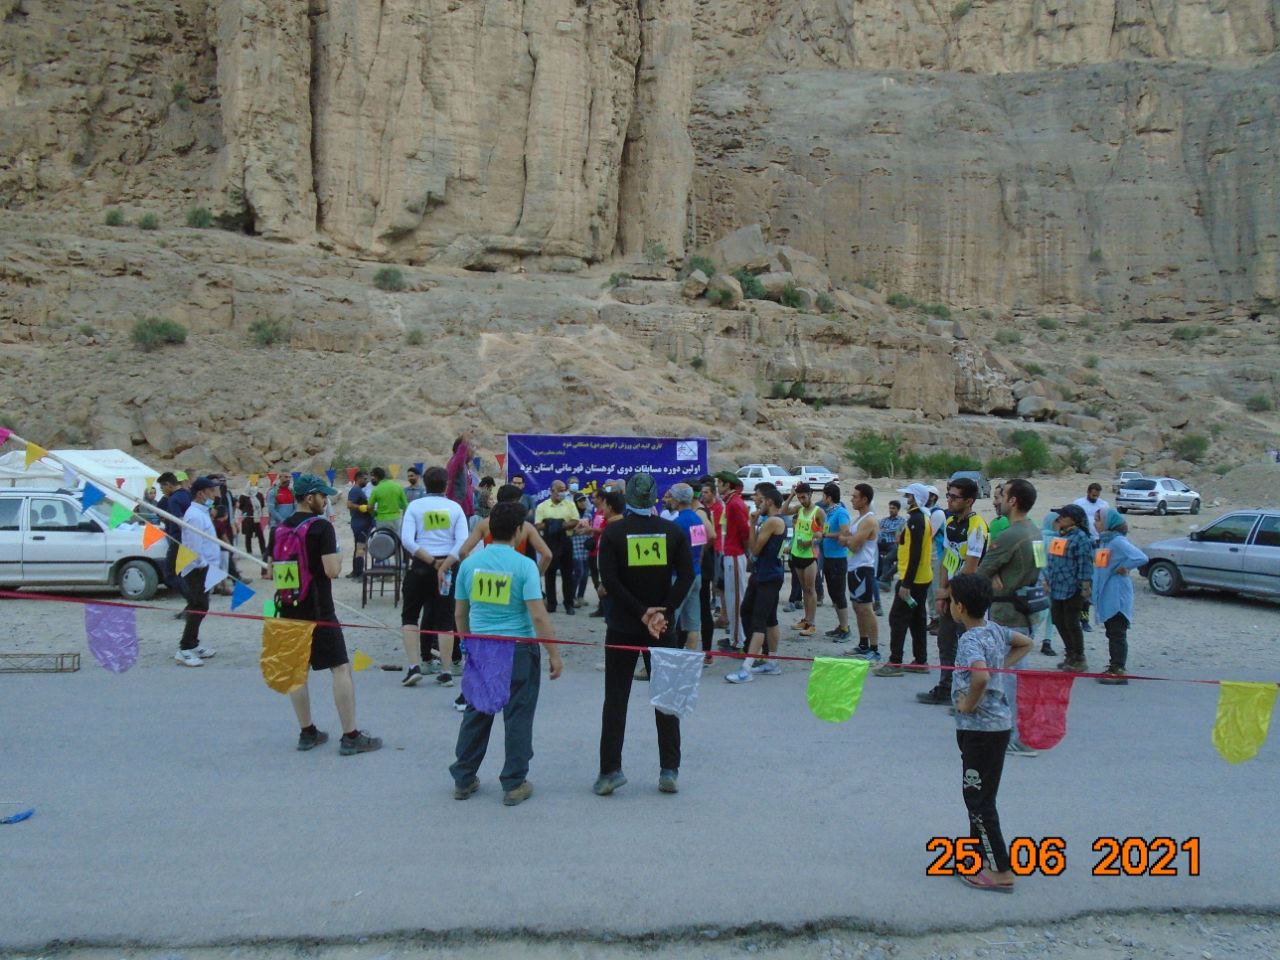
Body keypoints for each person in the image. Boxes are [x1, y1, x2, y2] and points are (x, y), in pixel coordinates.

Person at [450, 502, 563, 805]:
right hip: (519, 648)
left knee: (477, 713)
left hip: (483, 647)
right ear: (519, 531)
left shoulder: (470, 565)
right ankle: (514, 783)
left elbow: (460, 612)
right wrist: (554, 653)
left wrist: (467, 642)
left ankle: (463, 777)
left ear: (488, 531)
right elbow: (538, 615)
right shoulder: (524, 566)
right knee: (518, 716)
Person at [594, 473, 694, 796]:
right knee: (666, 698)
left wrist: (640, 611)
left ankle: (609, 771)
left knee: (616, 699)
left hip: (623, 625)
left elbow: (609, 579)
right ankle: (669, 770)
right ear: (655, 498)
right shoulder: (672, 531)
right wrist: (664, 610)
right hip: (661, 628)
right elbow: (687, 575)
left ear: (628, 499)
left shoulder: (613, 533)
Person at [270, 474, 381, 755]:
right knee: (340, 668)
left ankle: (307, 732)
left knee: (298, 672)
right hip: (319, 609)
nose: (325, 501)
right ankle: (351, 735)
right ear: (310, 498)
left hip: (289, 608)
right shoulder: (321, 527)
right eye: (322, 496)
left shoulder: (280, 528)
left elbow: (274, 570)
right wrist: (340, 557)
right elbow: (332, 570)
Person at [948, 572, 1033, 893]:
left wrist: (967, 704)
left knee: (978, 799)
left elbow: (980, 677)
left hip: (980, 730)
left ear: (960, 606)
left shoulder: (970, 640)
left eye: (951, 600)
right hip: (997, 727)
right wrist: (1002, 666)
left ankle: (1000, 870)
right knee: (981, 795)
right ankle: (979, 858)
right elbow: (1025, 643)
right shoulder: (995, 630)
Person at [977, 478, 1043, 757]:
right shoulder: (1035, 531)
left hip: (1008, 613)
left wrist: (993, 576)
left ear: (1013, 501)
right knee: (1012, 673)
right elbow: (1039, 568)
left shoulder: (1009, 536)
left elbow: (981, 573)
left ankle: (1014, 736)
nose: (998, 499)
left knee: (1006, 677)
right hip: (1027, 612)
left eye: (1002, 494)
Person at [918, 477, 989, 705]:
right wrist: (942, 591)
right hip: (951, 593)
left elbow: (970, 566)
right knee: (945, 641)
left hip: (968, 595)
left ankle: (968, 694)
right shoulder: (950, 522)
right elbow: (947, 559)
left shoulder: (977, 525)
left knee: (968, 646)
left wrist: (949, 593)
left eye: (955, 497)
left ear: (969, 501)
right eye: (948, 495)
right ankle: (946, 687)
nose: (949, 500)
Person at [399, 466, 469, 688]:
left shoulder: (414, 506)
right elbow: (462, 541)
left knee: (410, 616)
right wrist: (444, 565)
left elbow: (407, 540)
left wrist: (431, 562)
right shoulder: (455, 508)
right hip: (447, 568)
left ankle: (414, 666)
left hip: (421, 565)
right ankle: (447, 671)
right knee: (445, 619)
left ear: (424, 483)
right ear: (446, 484)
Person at [725, 482, 786, 684]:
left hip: (768, 576)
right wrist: (753, 525)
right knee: (767, 618)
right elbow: (755, 550)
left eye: (762, 499)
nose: (758, 503)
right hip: (765, 574)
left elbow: (755, 550)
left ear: (769, 501)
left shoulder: (772, 522)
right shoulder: (773, 520)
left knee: (758, 620)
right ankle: (772, 661)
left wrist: (752, 525)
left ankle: (747, 668)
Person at [875, 483, 933, 677]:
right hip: (920, 577)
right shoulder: (920, 518)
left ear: (916, 498)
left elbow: (916, 553)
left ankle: (895, 662)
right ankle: (920, 660)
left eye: (909, 496)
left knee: (897, 618)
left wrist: (906, 583)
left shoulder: (917, 519)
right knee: (917, 619)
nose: (906, 499)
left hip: (913, 579)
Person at [1091, 509, 1148, 684]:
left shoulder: (1117, 541)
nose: (1095, 524)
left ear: (1108, 523)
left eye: (1098, 520)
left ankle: (1119, 670)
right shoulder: (1104, 542)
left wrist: (1125, 567)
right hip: (1107, 593)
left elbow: (1140, 557)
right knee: (1112, 632)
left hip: (1117, 594)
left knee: (1117, 633)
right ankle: (1114, 665)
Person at [174, 477, 223, 667]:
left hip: (205, 568)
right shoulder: (194, 515)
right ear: (201, 493)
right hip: (196, 569)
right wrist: (202, 564)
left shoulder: (201, 513)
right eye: (211, 491)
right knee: (198, 606)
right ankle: (185, 648)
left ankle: (193, 643)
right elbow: (192, 547)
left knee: (202, 606)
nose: (214, 495)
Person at [458, 484, 553, 573]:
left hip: (490, 576)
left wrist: (473, 572)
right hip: (517, 575)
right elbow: (547, 555)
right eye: (520, 501)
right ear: (515, 502)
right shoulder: (525, 526)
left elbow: (463, 552)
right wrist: (535, 575)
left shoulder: (484, 524)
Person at [1045, 504, 1094, 672]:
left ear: (1073, 520)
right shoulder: (1060, 536)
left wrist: (1085, 586)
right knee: (1058, 620)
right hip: (1057, 586)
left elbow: (1085, 563)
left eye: (1063, 516)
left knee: (1071, 622)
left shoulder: (1081, 538)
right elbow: (1052, 560)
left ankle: (1079, 657)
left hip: (1073, 588)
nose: (1059, 519)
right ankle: (1070, 653)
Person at [669, 483, 714, 659]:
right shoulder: (697, 519)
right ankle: (689, 661)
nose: (670, 500)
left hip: (679, 576)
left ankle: (668, 661)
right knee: (693, 624)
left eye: (671, 497)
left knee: (670, 620)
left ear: (677, 499)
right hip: (696, 573)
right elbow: (701, 546)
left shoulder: (677, 523)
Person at [841, 483, 881, 662]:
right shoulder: (858, 519)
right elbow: (848, 539)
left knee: (866, 608)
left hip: (863, 568)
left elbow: (854, 546)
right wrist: (847, 539)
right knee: (857, 607)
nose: (852, 499)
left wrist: (846, 539)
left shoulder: (869, 520)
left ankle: (874, 649)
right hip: (853, 567)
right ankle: (863, 644)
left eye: (855, 496)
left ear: (865, 499)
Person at [781, 484, 825, 637]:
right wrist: (791, 495)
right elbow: (783, 511)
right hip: (796, 554)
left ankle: (812, 624)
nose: (801, 500)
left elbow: (822, 534)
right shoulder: (799, 509)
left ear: (810, 495)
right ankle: (806, 620)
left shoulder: (818, 512)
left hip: (809, 556)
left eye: (803, 497)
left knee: (810, 590)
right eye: (799, 497)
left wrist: (809, 543)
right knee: (804, 590)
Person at [715, 471, 751, 652]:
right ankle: (735, 637)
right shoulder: (731, 502)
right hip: (731, 554)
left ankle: (738, 641)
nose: (717, 486)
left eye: (720, 483)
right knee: (731, 599)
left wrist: (747, 554)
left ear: (727, 485)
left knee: (736, 600)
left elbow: (745, 532)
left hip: (735, 555)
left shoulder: (735, 504)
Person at [534, 480, 581, 614]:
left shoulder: (570, 504)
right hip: (549, 543)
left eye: (564, 490)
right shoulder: (542, 506)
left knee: (567, 574)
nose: (563, 492)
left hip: (566, 541)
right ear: (552, 491)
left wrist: (558, 524)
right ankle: (552, 604)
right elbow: (538, 525)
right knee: (550, 574)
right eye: (560, 490)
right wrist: (551, 524)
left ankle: (569, 604)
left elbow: (575, 521)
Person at [818, 482, 852, 642]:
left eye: (823, 495)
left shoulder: (841, 512)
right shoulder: (830, 513)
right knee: (833, 593)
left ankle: (845, 628)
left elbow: (845, 532)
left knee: (838, 593)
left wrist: (826, 536)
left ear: (829, 497)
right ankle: (841, 626)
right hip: (829, 557)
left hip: (838, 559)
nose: (822, 498)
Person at [156, 471, 193, 608]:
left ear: (168, 485)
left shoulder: (173, 500)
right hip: (192, 539)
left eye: (162, 487)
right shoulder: (188, 494)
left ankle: (193, 602)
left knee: (170, 574)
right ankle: (192, 604)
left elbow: (180, 522)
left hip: (179, 540)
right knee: (186, 573)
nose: (162, 490)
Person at [445, 435, 475, 518]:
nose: (473, 449)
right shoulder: (456, 462)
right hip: (458, 509)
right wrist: (463, 445)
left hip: (465, 510)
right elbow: (459, 459)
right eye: (470, 446)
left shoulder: (465, 466)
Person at [238, 481, 268, 559]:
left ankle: (263, 551)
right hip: (248, 519)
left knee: (260, 535)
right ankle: (249, 551)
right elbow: (240, 506)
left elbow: (262, 505)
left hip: (257, 518)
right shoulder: (244, 496)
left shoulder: (259, 495)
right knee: (248, 535)